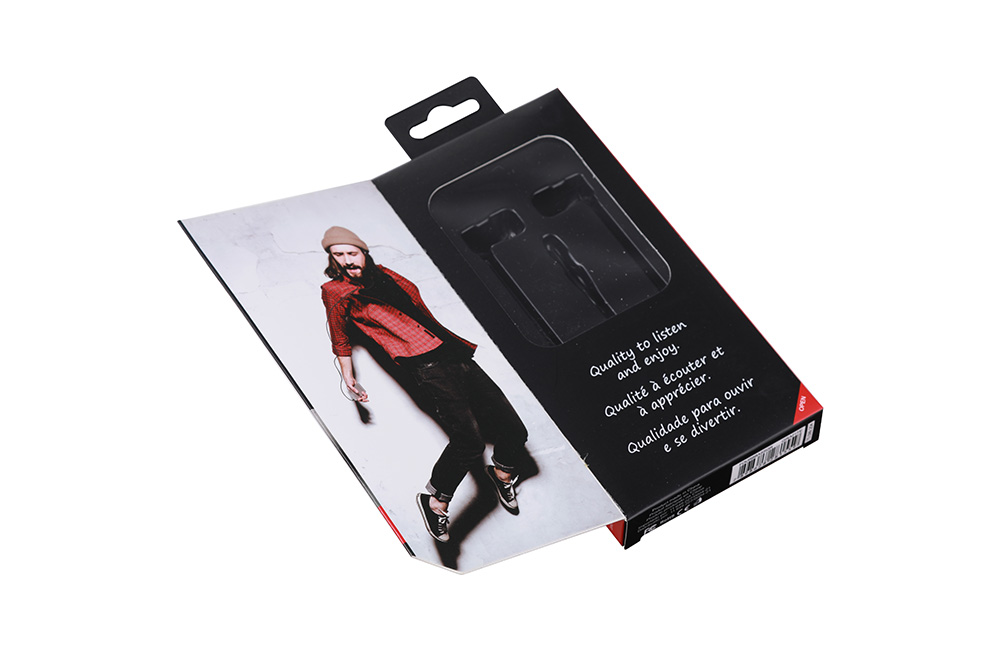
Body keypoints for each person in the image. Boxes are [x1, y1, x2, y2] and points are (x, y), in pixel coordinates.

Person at [320, 226, 528, 543]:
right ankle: (435, 501)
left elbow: (415, 306)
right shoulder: (336, 291)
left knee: (515, 430)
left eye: (352, 252)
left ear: (363, 252)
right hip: (427, 366)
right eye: (339, 255)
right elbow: (340, 338)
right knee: (469, 442)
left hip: (454, 353)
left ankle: (501, 473)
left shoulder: (385, 274)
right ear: (332, 259)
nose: (347, 260)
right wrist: (347, 376)